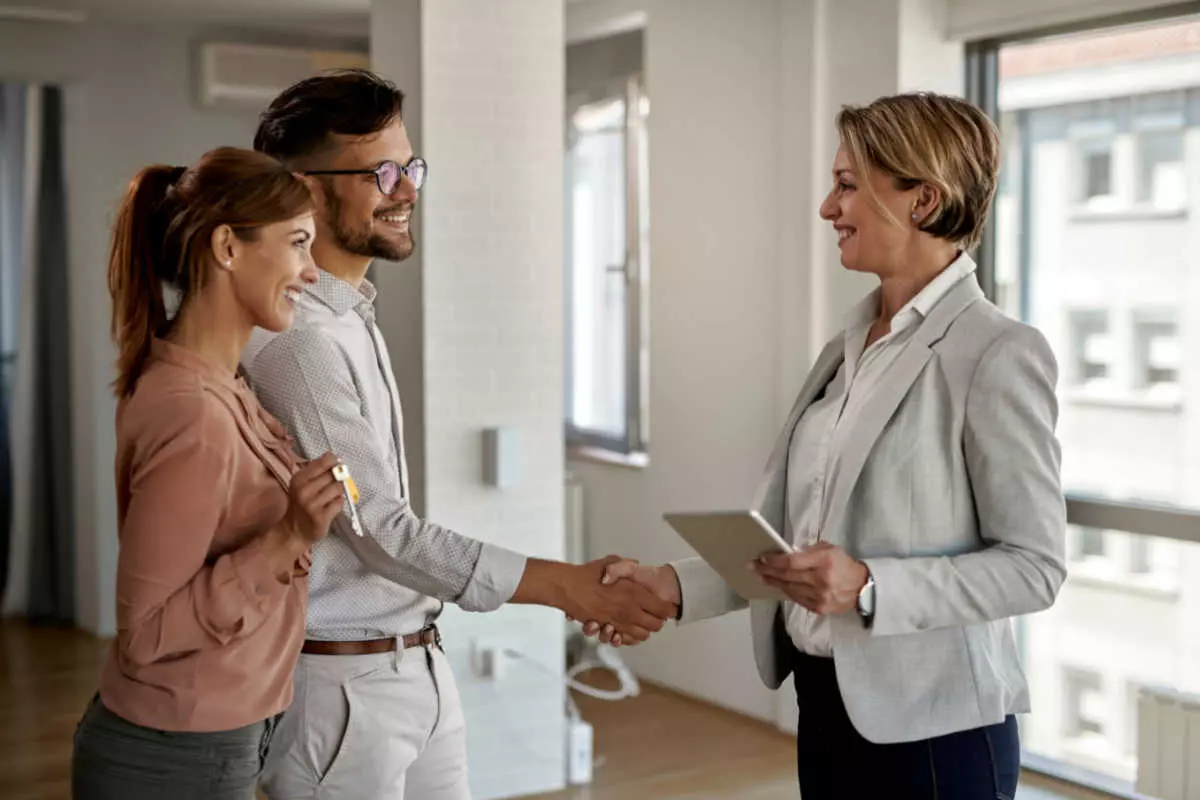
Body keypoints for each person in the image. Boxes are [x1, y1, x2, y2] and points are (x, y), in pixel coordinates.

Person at [590, 93, 1068, 799]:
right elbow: (798, 547)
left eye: (847, 186)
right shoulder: (849, 347)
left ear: (923, 200)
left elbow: (1035, 567)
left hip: (932, 734)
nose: (826, 208)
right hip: (826, 708)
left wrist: (872, 585)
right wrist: (673, 584)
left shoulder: (997, 352)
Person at [242, 69, 677, 800]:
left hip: (417, 663)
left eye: (410, 166)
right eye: (382, 171)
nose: (408, 190)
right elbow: (379, 528)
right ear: (305, 190)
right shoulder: (301, 345)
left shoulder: (350, 318)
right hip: (341, 690)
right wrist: (568, 586)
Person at [71, 148, 347, 800]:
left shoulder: (220, 386)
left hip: (211, 740)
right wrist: (289, 536)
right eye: (298, 244)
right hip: (176, 757)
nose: (311, 273)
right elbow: (145, 633)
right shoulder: (195, 411)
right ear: (227, 246)